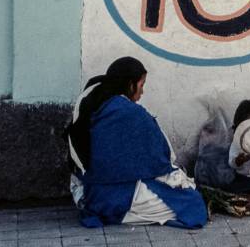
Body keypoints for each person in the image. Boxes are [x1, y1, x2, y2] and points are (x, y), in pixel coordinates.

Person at [65, 57, 207, 229]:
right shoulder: (128, 113)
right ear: (130, 84)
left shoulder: (96, 97)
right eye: (141, 85)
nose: (142, 92)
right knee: (192, 202)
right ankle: (118, 213)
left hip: (87, 189)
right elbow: (161, 159)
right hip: (110, 195)